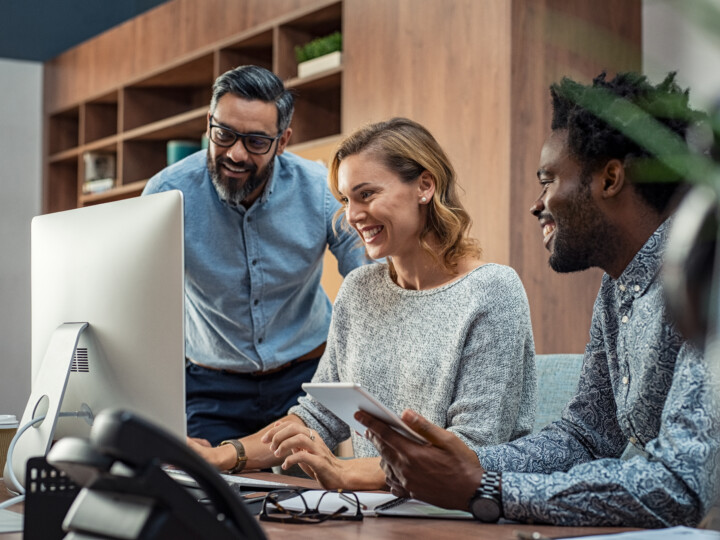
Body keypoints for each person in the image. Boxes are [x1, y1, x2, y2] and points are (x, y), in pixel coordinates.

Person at [357, 72, 720, 527]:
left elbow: (679, 484)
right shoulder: (617, 288)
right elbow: (585, 437)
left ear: (610, 179)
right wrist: (460, 464)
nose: (537, 203)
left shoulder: (706, 274)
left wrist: (485, 489)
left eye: (548, 180)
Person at [188, 117, 536, 490]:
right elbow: (317, 417)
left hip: (462, 511)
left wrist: (344, 472)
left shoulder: (493, 291)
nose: (352, 216)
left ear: (424, 185)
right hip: (376, 508)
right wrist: (224, 455)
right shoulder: (358, 290)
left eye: (366, 194)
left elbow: (472, 451)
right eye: (345, 200)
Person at [142, 65, 367, 445]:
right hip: (211, 389)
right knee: (211, 496)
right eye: (224, 134)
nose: (235, 153)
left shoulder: (319, 190)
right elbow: (140, 300)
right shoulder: (167, 195)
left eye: (256, 142)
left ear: (282, 141)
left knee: (305, 500)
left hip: (306, 382)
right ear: (208, 122)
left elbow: (369, 278)